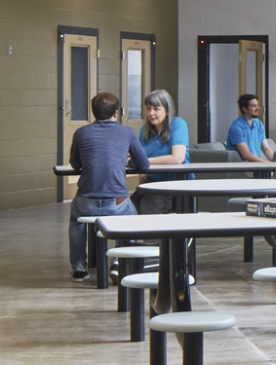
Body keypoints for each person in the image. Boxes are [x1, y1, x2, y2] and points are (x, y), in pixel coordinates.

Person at [67, 91, 152, 278]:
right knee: (133, 218)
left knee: (75, 221)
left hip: (86, 201)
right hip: (116, 202)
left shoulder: (81, 132)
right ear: (116, 113)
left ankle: (79, 267)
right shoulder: (127, 132)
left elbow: (75, 163)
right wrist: (126, 162)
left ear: (93, 113)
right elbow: (144, 165)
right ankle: (118, 261)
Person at [136, 89, 190, 215]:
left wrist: (144, 162)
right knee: (127, 207)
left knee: (149, 205)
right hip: (151, 184)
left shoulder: (178, 124)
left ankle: (156, 234)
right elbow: (139, 157)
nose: (151, 113)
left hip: (175, 184)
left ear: (167, 110)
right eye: (148, 109)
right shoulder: (145, 129)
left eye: (156, 109)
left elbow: (177, 158)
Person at [226, 92, 276, 162]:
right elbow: (246, 155)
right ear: (244, 109)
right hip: (241, 168)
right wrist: (267, 164)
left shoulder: (258, 123)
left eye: (257, 105)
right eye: (254, 106)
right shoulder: (236, 127)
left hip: (256, 166)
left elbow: (266, 148)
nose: (258, 108)